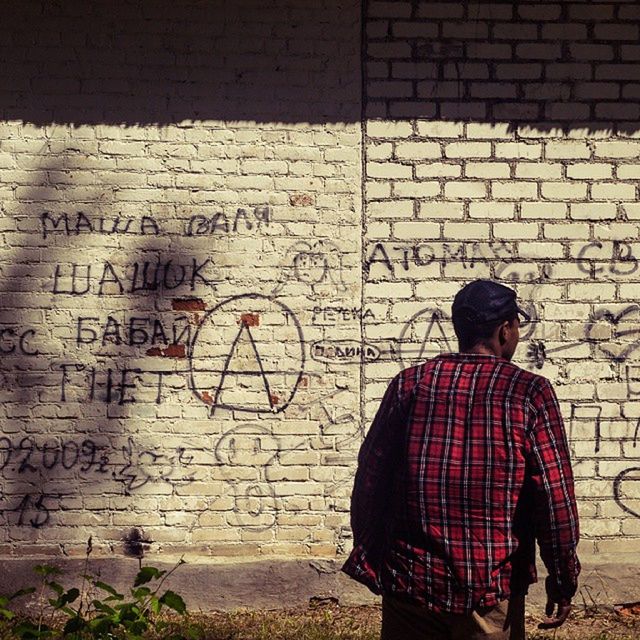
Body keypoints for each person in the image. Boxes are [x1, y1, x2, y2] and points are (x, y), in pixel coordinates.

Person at [342, 279, 580, 640]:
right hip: (488, 589)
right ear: (505, 331)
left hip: (412, 584)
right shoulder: (529, 393)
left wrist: (375, 557)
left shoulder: (410, 384)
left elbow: (371, 481)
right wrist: (562, 578)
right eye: (516, 326)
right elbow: (554, 497)